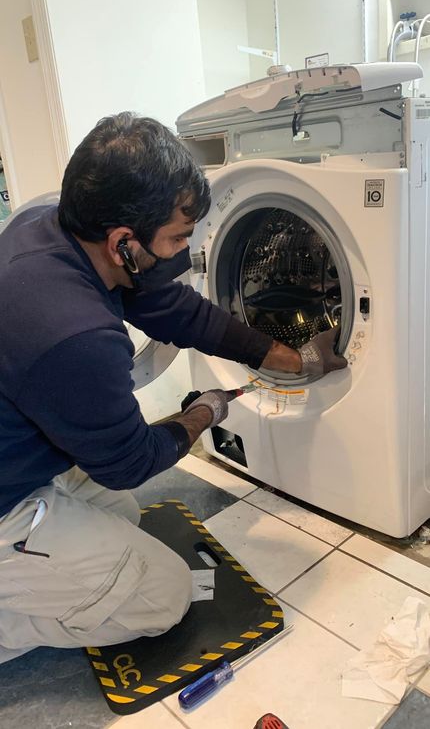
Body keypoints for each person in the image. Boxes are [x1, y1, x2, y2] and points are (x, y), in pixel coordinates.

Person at [0, 113, 346, 663]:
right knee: (162, 597)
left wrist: (293, 358)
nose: (186, 252)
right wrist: (205, 412)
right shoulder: (75, 334)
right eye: (179, 237)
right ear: (124, 243)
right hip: (5, 505)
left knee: (124, 516)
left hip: (21, 462)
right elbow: (129, 463)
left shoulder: (51, 226)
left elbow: (172, 308)